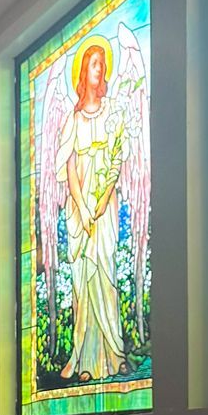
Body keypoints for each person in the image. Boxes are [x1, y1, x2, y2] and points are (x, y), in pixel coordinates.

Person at [55, 38, 127, 382]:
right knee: (82, 282)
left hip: (105, 208)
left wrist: (100, 203)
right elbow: (68, 167)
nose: (99, 69)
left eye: (102, 63)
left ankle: (114, 353)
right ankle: (83, 357)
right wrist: (82, 207)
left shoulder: (114, 112)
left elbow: (116, 160)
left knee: (106, 276)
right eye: (93, 64)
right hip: (80, 210)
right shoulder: (73, 120)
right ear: (84, 72)